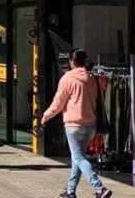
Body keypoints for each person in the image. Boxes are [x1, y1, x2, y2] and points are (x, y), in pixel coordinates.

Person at [42, 49, 112, 198]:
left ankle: (99, 188)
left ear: (72, 61)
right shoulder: (91, 77)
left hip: (73, 125)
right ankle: (70, 190)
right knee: (78, 157)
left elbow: (58, 103)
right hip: (90, 126)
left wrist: (46, 116)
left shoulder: (67, 78)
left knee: (79, 158)